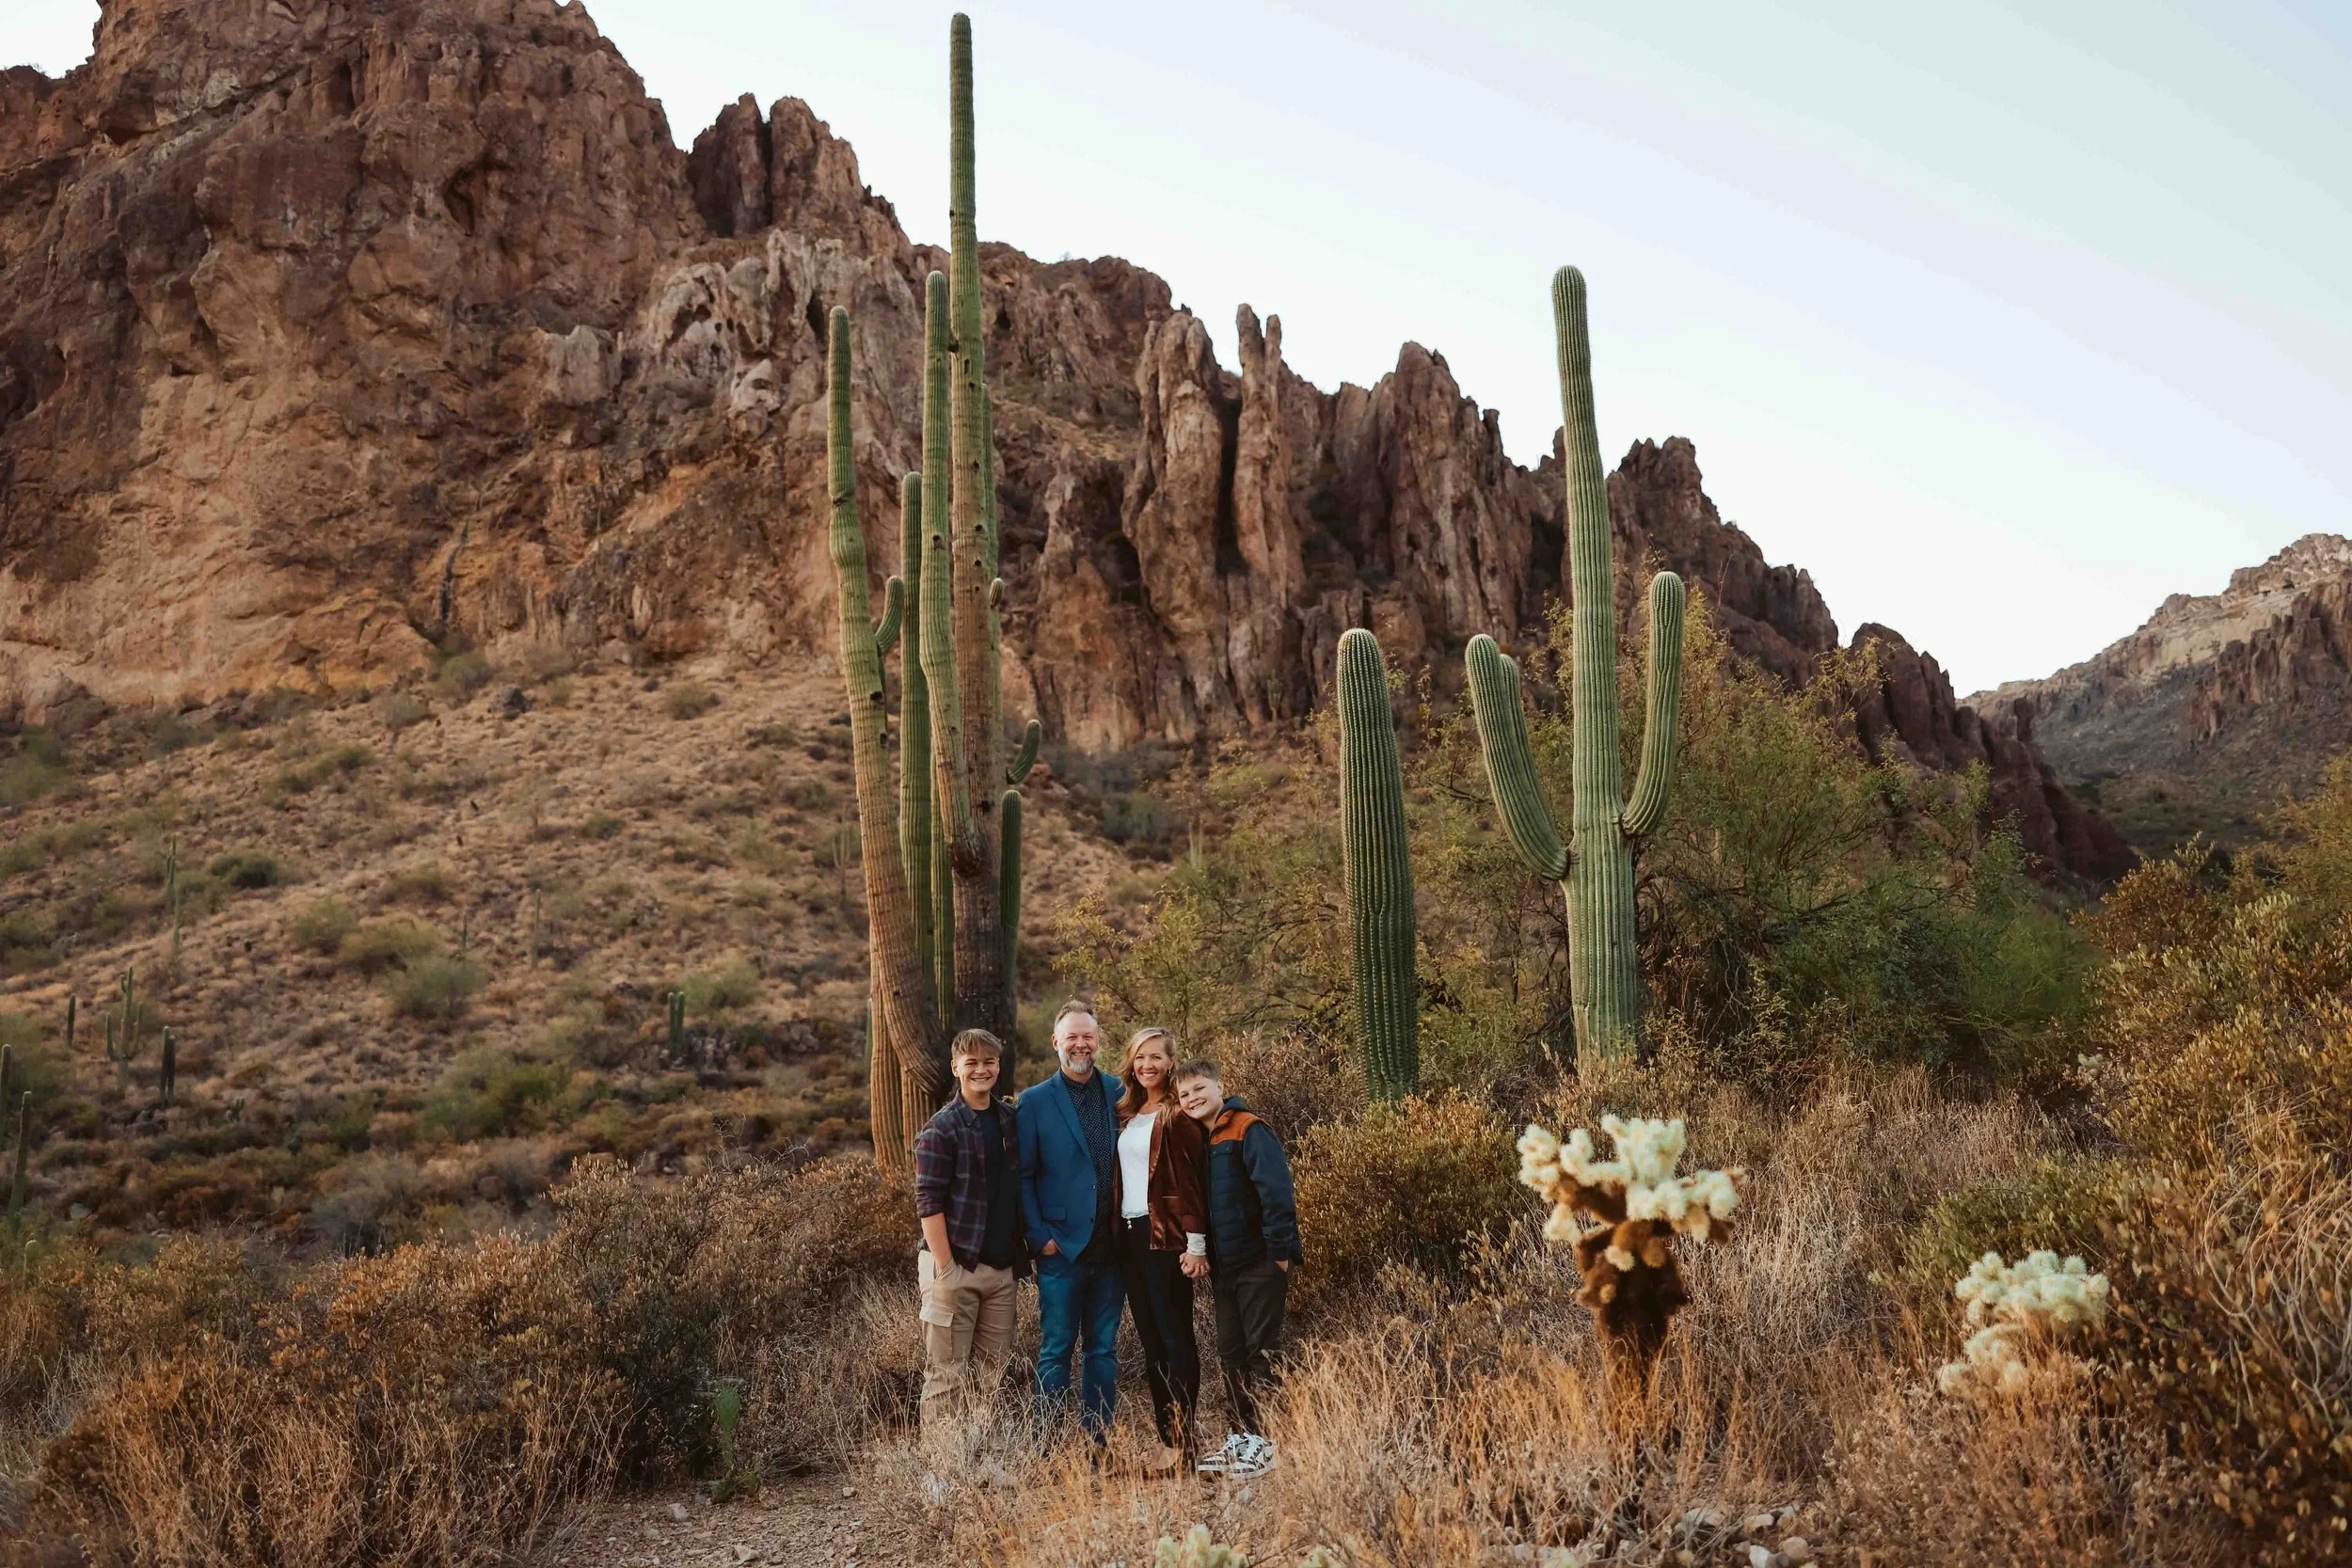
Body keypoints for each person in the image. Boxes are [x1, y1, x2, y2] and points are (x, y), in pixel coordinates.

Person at [1173, 1058, 1301, 1479]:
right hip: (1226, 1267)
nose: (1192, 1098)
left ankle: (1265, 1442)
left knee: (1260, 1349)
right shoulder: (1202, 1139)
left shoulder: (1248, 1128)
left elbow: (1277, 1193)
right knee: (1230, 1352)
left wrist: (1279, 1254)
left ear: (1219, 1087)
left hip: (1260, 1261)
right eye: (1184, 1094)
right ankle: (1240, 1438)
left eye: (1199, 1089)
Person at [912, 1029, 1026, 1462]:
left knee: (988, 1375)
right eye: (972, 1062)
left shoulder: (1009, 1120)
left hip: (1000, 1270)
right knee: (946, 1374)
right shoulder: (940, 1129)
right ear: (956, 1067)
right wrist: (946, 1268)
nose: (981, 1070)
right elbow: (928, 1203)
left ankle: (975, 1461)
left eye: (989, 1062)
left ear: (999, 1067)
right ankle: (941, 1470)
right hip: (953, 1266)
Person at [1017, 999, 1126, 1440]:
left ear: (1098, 1041)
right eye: (1072, 1036)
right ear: (1056, 1042)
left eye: (1089, 1036)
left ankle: (1098, 1439)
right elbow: (1023, 1175)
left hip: (1113, 1246)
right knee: (1056, 1349)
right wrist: (1039, 1237)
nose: (1081, 1044)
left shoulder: (1120, 1091)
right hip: (1060, 1248)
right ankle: (1046, 1443)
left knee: (1103, 1350)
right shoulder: (1035, 1101)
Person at [1114, 1026, 1210, 1474]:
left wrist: (1195, 1244)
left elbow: (1191, 1183)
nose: (1147, 1065)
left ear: (1171, 1063)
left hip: (1167, 1239)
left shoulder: (1177, 1115)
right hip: (1131, 1238)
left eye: (1156, 1057)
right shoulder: (1128, 1112)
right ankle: (1167, 1438)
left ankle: (1183, 1441)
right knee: (1151, 1341)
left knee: (1175, 1338)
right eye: (1139, 1058)